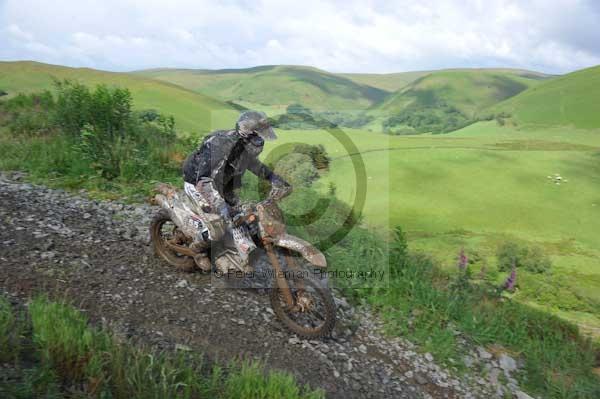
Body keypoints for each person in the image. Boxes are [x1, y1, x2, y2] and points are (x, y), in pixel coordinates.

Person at [182, 110, 291, 273]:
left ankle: (235, 252)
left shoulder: (243, 149)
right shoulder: (220, 145)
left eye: (262, 137)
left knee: (243, 218)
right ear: (246, 135)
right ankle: (197, 251)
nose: (261, 142)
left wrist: (276, 180)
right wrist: (220, 205)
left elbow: (256, 167)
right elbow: (203, 181)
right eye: (258, 137)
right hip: (197, 182)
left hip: (222, 185)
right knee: (217, 225)